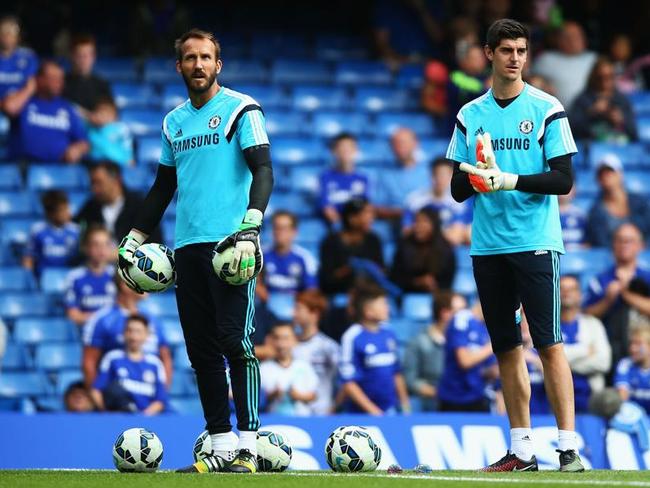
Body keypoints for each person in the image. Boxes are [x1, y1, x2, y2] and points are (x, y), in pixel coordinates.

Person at [116, 29, 273, 474]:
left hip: (232, 247)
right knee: (201, 350)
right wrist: (133, 238)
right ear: (179, 66)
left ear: (218, 65)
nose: (199, 64)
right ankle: (220, 446)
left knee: (234, 341)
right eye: (190, 58)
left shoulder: (243, 109)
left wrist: (251, 224)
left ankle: (249, 445)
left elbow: (263, 169)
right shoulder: (173, 122)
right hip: (186, 248)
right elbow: (163, 186)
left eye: (206, 57)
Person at [448, 19, 584, 471]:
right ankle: (522, 449)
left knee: (548, 343)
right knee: (506, 348)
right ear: (489, 53)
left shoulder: (546, 107)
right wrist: (477, 177)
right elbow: (456, 189)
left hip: (535, 242)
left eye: (522, 50)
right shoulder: (471, 115)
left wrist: (505, 178)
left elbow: (563, 179)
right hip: (488, 246)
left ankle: (568, 448)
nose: (515, 58)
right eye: (506, 50)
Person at [82, 276, 171, 387]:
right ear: (125, 284)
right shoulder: (102, 320)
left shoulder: (152, 319)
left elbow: (165, 358)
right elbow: (89, 363)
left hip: (151, 394)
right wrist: (99, 400)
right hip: (118, 396)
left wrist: (161, 397)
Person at [584, 223, 650, 369]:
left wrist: (626, 294)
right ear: (613, 244)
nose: (624, 245)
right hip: (610, 346)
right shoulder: (600, 280)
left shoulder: (647, 277)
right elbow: (586, 315)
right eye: (620, 240)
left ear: (640, 245)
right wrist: (607, 301)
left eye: (629, 240)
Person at [339, 283, 410, 415]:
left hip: (390, 411)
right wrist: (374, 412)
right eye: (383, 304)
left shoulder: (389, 333)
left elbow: (396, 372)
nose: (387, 308)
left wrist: (405, 405)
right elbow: (349, 382)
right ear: (368, 311)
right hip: (361, 415)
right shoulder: (352, 337)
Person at [8, 60, 89, 163]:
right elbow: (10, 108)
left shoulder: (66, 107)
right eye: (53, 78)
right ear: (39, 79)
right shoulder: (24, 101)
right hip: (24, 168)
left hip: (60, 169)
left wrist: (77, 149)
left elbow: (84, 142)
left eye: (61, 78)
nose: (59, 82)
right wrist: (29, 89)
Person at [91, 314, 168, 415]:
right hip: (117, 419)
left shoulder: (155, 364)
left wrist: (142, 417)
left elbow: (160, 400)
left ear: (146, 335)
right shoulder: (113, 358)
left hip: (146, 422)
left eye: (138, 331)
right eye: (130, 330)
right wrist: (107, 414)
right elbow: (96, 390)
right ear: (124, 333)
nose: (133, 336)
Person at [75, 161, 162, 244]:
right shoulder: (91, 207)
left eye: (99, 182)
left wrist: (118, 254)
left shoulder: (140, 206)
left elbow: (153, 244)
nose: (94, 189)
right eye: (92, 183)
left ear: (116, 180)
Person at [559, 275, 612, 413]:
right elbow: (540, 361)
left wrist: (561, 362)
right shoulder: (547, 326)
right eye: (562, 288)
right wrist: (584, 351)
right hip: (554, 398)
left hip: (590, 398)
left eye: (572, 289)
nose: (566, 293)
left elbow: (603, 362)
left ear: (580, 295)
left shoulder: (593, 324)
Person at [437, 302, 497, 412]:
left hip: (477, 395)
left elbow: (488, 370)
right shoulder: (462, 319)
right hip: (454, 397)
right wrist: (496, 344)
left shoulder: (486, 328)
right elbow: (464, 361)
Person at [319, 197, 384, 295]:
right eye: (366, 213)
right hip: (339, 293)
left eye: (371, 213)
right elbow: (326, 278)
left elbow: (381, 269)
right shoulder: (330, 242)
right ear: (352, 218)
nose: (371, 218)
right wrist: (350, 269)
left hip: (369, 293)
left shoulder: (374, 240)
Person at [403, 290, 455, 411]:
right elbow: (410, 380)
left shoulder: (465, 344)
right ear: (445, 313)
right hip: (431, 406)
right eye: (459, 312)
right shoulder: (418, 342)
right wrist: (438, 392)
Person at [585, 154, 650, 247]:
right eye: (602, 174)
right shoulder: (595, 212)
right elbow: (600, 242)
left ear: (620, 174)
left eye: (610, 171)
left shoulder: (640, 203)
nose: (606, 176)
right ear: (598, 179)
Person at [404, 157, 472, 246]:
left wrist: (427, 230)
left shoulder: (459, 201)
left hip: (446, 250)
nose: (441, 179)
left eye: (445, 175)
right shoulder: (414, 200)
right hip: (419, 247)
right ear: (431, 175)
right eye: (438, 174)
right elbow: (406, 232)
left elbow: (455, 238)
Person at [293, 289, 340, 415]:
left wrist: (335, 407)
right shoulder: (289, 345)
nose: (293, 313)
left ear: (314, 313)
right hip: (294, 415)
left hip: (322, 414)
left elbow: (344, 380)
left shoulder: (328, 346)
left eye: (298, 309)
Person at [570, 57, 638, 143]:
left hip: (620, 150)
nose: (604, 81)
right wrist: (592, 112)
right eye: (600, 77)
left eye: (609, 76)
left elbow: (634, 134)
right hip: (592, 150)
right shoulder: (583, 99)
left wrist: (621, 120)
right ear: (593, 78)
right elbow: (571, 129)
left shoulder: (622, 100)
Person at [390, 207, 456, 292]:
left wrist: (433, 286)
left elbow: (447, 281)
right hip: (408, 295)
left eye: (424, 221)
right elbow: (395, 278)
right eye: (416, 221)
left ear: (434, 224)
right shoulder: (404, 246)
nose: (419, 226)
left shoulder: (445, 249)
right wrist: (417, 282)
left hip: (438, 296)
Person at [256, 210, 317, 302]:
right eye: (276, 227)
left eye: (284, 228)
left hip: (296, 309)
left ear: (294, 232)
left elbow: (311, 290)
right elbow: (255, 284)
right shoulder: (261, 254)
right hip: (265, 307)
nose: (279, 232)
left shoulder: (305, 258)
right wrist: (270, 301)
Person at [533, 21, 596, 109]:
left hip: (589, 116)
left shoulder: (594, 59)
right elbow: (531, 83)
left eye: (576, 36)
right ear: (558, 39)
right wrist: (542, 85)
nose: (572, 41)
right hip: (556, 116)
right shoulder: (546, 59)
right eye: (567, 37)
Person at [259, 323, 318, 416]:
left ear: (295, 340)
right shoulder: (263, 368)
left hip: (303, 420)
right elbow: (256, 399)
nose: (281, 344)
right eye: (277, 338)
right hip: (274, 421)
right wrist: (272, 395)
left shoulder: (304, 366)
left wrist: (298, 396)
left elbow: (314, 395)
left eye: (285, 338)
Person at [64, 225, 116, 326]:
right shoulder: (74, 278)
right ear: (85, 247)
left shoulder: (118, 276)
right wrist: (102, 320)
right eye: (96, 244)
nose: (102, 249)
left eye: (106, 244)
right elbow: (73, 315)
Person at [22, 190, 80, 278]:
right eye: (62, 210)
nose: (68, 213)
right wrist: (28, 280)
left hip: (69, 277)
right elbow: (29, 259)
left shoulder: (76, 231)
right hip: (44, 280)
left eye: (67, 208)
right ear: (50, 213)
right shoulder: (38, 230)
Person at [375, 128, 429, 221]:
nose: (399, 147)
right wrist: (406, 213)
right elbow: (378, 207)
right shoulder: (384, 174)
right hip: (395, 222)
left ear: (415, 143)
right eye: (395, 144)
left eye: (403, 143)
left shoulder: (429, 171)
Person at [318, 133, 368, 228]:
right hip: (334, 229)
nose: (345, 152)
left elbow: (364, 208)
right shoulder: (325, 178)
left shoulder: (363, 179)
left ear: (356, 150)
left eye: (349, 148)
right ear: (334, 151)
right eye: (341, 148)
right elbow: (326, 208)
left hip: (357, 227)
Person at [63, 34, 112, 117]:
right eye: (79, 56)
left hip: (94, 127)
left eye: (87, 56)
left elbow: (111, 114)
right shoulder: (61, 82)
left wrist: (101, 116)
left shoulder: (102, 84)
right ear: (71, 56)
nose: (83, 60)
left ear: (94, 57)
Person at [0, 16, 37, 118]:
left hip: (23, 105)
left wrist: (15, 102)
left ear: (18, 36)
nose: (7, 36)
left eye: (11, 32)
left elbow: (31, 86)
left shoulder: (28, 57)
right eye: (4, 32)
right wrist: (4, 104)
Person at [86, 96, 134, 166]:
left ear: (114, 116)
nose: (101, 116)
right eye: (99, 113)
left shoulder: (120, 128)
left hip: (119, 163)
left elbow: (127, 145)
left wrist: (130, 159)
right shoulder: (91, 130)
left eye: (106, 113)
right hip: (97, 164)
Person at [615, 324, 650, 413]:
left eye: (638, 344)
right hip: (632, 419)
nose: (632, 348)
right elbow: (622, 398)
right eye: (631, 343)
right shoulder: (625, 364)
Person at [559, 185, 587, 250]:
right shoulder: (550, 216)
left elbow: (588, 241)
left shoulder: (581, 215)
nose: (563, 191)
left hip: (579, 255)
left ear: (574, 190)